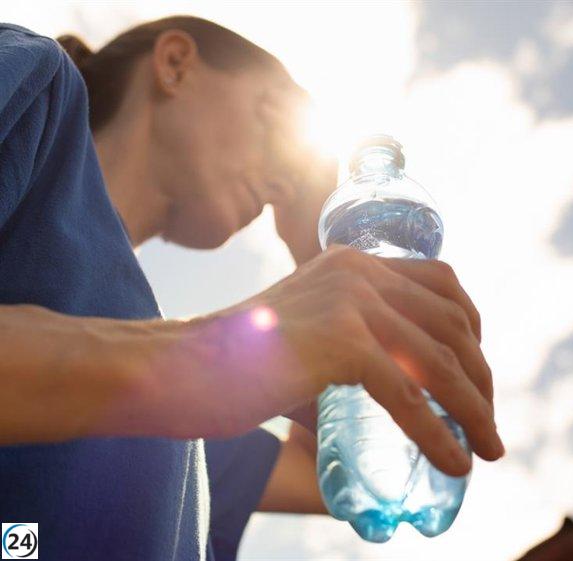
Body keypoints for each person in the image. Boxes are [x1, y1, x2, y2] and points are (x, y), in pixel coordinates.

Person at [0, 15, 503, 561]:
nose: (281, 177)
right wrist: (197, 358)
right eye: (274, 116)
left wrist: (323, 244)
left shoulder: (178, 418)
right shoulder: (36, 84)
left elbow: (335, 477)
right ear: (174, 65)